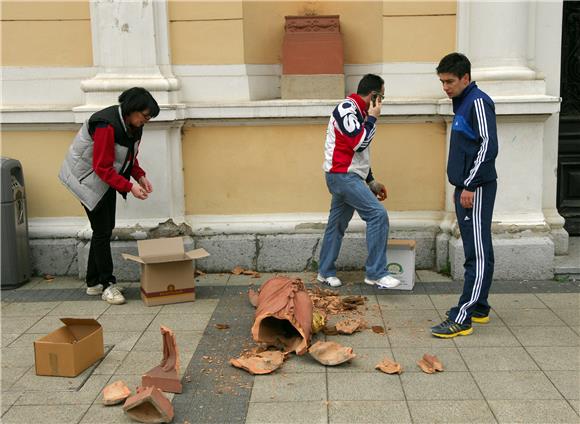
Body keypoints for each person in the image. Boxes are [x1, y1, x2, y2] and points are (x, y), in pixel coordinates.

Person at [59, 87, 159, 305]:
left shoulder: (133, 126)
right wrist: (129, 187)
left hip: (102, 180)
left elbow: (129, 158)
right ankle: (107, 285)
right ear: (132, 110)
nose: (146, 120)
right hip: (86, 179)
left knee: (103, 228)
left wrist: (140, 176)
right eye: (145, 116)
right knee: (103, 230)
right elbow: (102, 167)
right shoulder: (106, 125)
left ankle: (93, 283)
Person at [431, 53, 498, 338]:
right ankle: (480, 306)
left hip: (477, 187)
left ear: (465, 79)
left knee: (477, 253)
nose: (445, 87)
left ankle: (464, 316)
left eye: (450, 81)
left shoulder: (478, 101)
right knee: (476, 247)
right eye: (442, 82)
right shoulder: (463, 103)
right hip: (467, 186)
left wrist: (470, 184)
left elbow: (488, 146)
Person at [317, 74, 401, 289]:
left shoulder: (358, 111)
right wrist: (373, 118)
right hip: (342, 176)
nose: (382, 101)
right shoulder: (347, 108)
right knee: (377, 215)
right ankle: (376, 273)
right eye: (381, 96)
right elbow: (359, 143)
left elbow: (357, 154)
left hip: (345, 175)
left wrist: (371, 180)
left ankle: (324, 272)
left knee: (336, 225)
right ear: (374, 95)